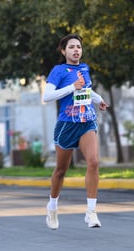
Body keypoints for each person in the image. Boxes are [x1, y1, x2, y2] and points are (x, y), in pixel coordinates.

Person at [42, 34, 109, 230]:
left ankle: (91, 212)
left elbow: (86, 90)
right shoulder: (58, 71)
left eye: (78, 46)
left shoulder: (84, 68)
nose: (76, 50)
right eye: (71, 47)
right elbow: (47, 96)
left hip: (86, 122)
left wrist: (99, 100)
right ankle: (52, 206)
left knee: (94, 162)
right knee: (61, 170)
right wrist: (71, 87)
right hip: (66, 125)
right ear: (64, 51)